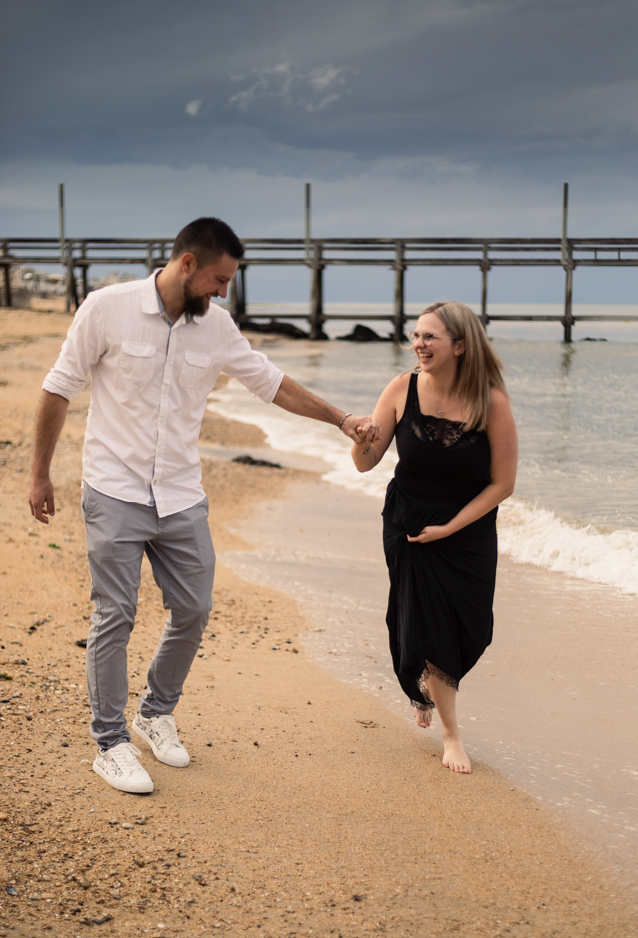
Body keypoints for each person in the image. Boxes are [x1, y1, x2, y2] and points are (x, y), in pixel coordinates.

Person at [27, 217, 379, 795]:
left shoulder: (215, 327)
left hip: (181, 494)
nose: (224, 292)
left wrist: (341, 419)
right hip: (113, 489)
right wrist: (40, 473)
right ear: (187, 263)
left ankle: (154, 712)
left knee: (192, 609)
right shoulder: (105, 307)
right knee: (115, 613)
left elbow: (273, 383)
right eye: (219, 279)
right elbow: (58, 388)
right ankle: (110, 744)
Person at [352, 301, 517, 773]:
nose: (418, 345)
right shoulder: (401, 389)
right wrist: (362, 436)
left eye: (430, 337)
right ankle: (451, 734)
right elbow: (366, 462)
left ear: (460, 346)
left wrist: (451, 527)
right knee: (425, 621)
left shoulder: (492, 401)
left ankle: (425, 684)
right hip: (408, 521)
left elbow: (503, 483)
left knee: (471, 628)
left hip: (466, 530)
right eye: (416, 335)